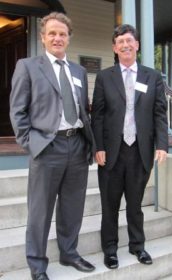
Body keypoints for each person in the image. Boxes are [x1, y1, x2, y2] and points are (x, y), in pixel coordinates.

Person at [10, 12, 96, 280]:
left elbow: (83, 109)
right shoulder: (28, 66)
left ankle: (69, 253)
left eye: (62, 34)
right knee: (40, 211)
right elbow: (18, 112)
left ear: (69, 38)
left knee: (72, 206)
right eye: (52, 34)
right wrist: (32, 143)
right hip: (47, 147)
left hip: (77, 146)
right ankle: (37, 266)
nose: (58, 38)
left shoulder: (79, 71)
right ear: (43, 37)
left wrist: (88, 144)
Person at [91, 24, 168, 270]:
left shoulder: (152, 76)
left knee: (135, 205)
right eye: (120, 41)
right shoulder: (104, 77)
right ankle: (110, 250)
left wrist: (162, 144)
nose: (125, 45)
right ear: (114, 48)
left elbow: (159, 113)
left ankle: (138, 246)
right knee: (109, 206)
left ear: (137, 45)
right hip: (111, 153)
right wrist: (98, 146)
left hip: (140, 151)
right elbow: (98, 115)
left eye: (129, 40)